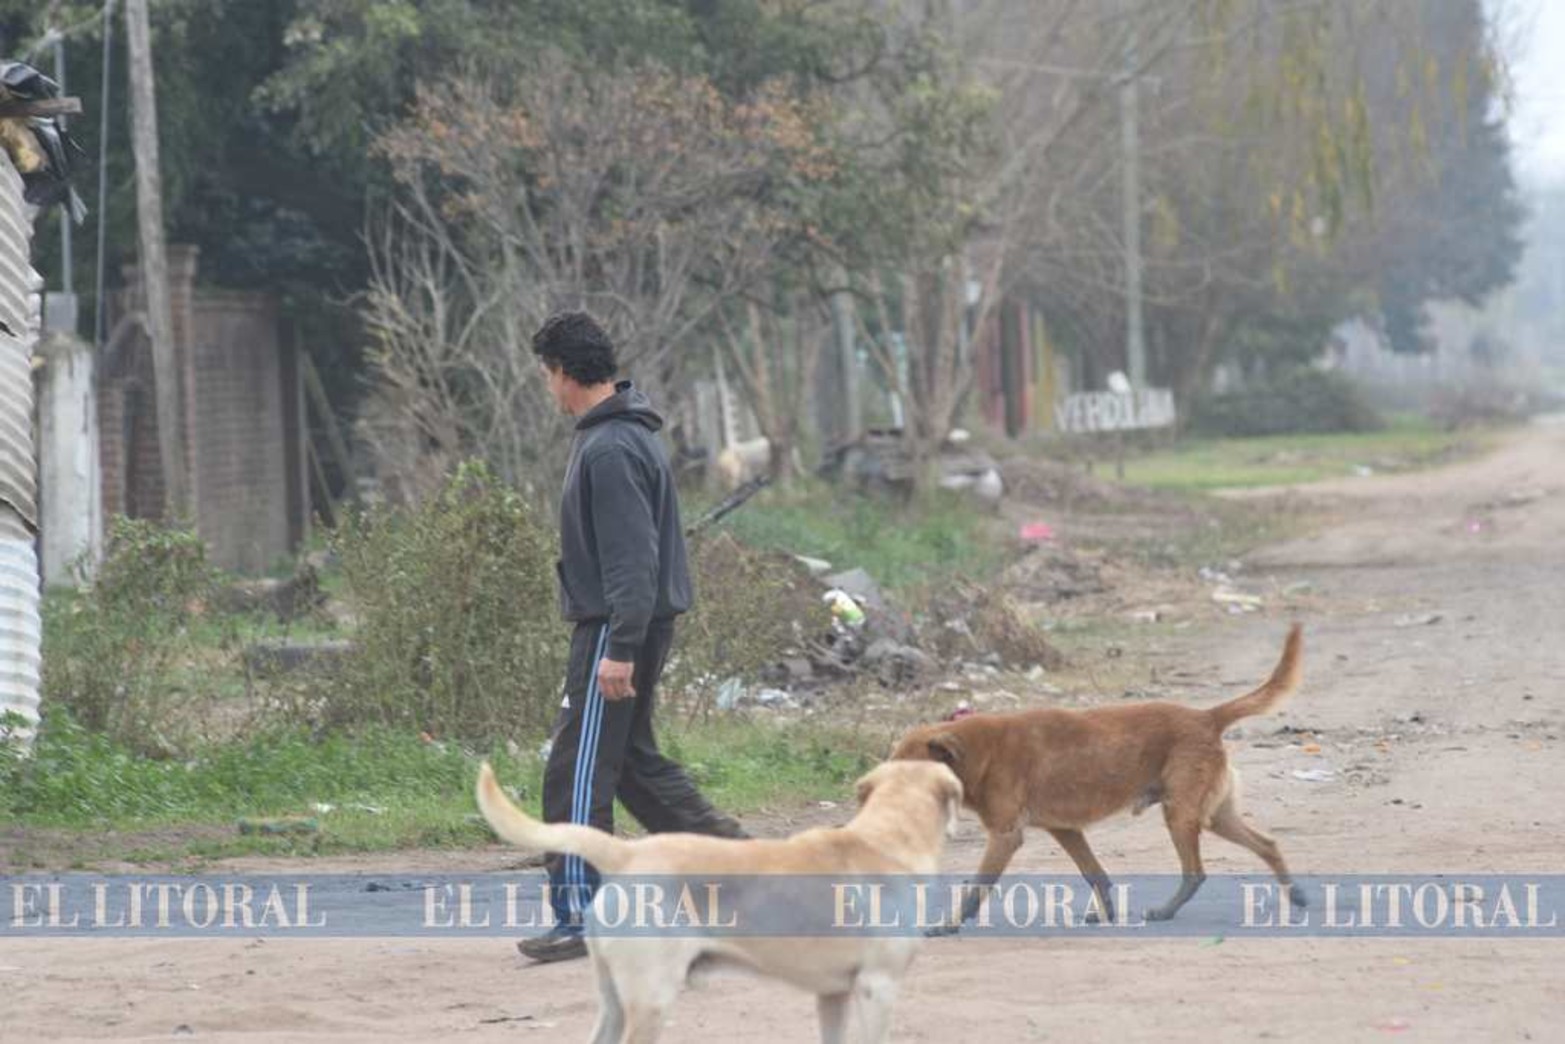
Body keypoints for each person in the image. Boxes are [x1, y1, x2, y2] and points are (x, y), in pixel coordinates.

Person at [520, 311, 747, 964]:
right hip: (629, 624)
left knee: (577, 771)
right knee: (634, 769)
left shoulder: (612, 446)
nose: (548, 387)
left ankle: (581, 916)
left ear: (563, 373)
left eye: (547, 375)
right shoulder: (618, 435)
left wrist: (618, 648)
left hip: (616, 631)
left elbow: (630, 560)